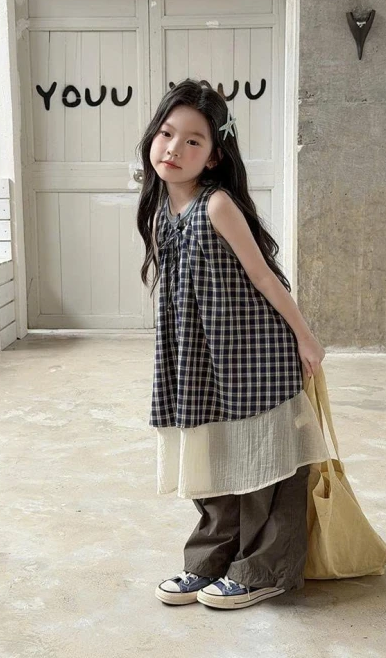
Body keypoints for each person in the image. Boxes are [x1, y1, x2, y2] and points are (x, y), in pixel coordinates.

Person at [135, 79, 330, 610]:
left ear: (215, 155)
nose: (174, 149)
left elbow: (264, 276)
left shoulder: (217, 204)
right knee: (212, 454)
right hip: (200, 358)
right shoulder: (160, 211)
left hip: (252, 351)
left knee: (264, 462)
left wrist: (306, 338)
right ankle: (211, 560)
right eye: (166, 133)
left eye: (192, 140)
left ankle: (264, 569)